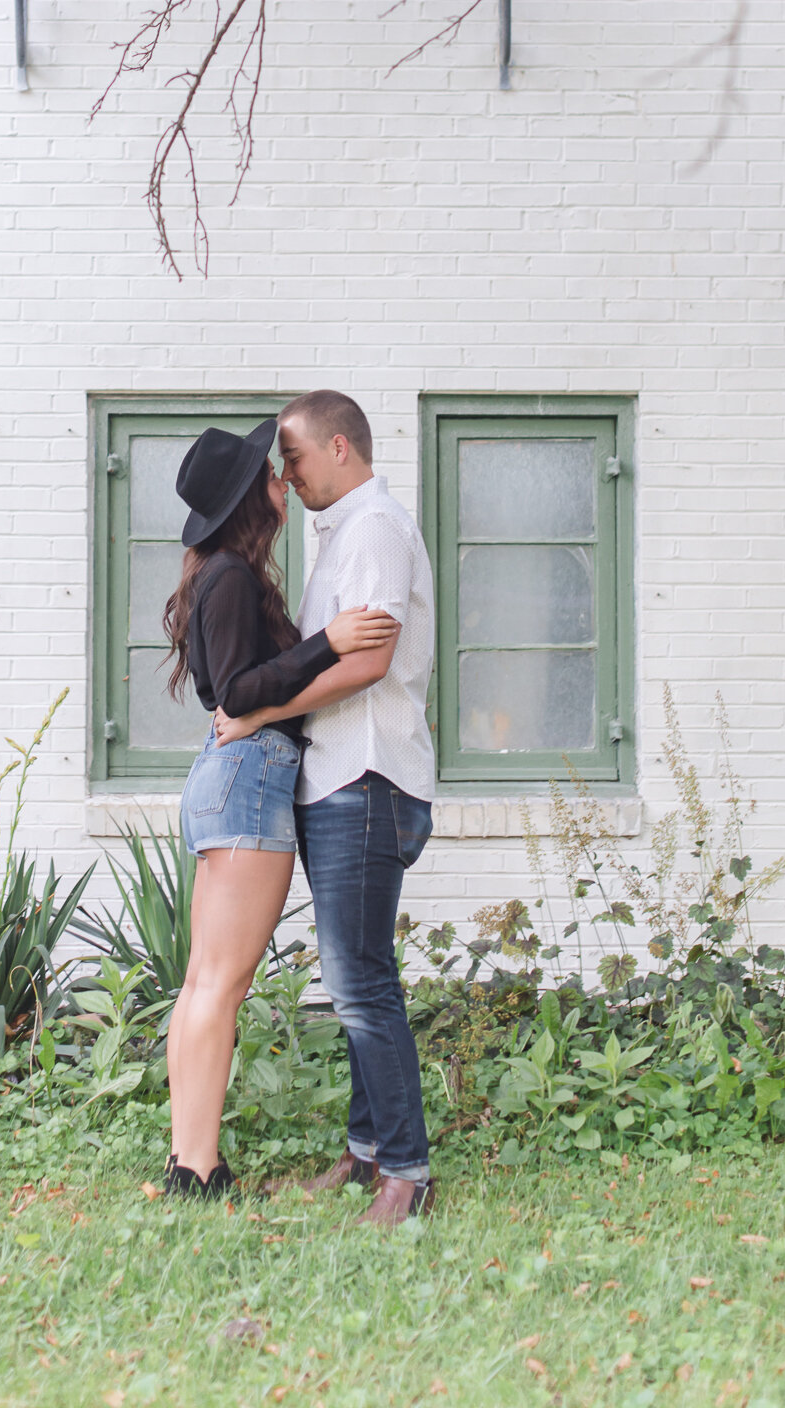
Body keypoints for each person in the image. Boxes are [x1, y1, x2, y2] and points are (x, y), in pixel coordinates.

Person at [213, 390, 436, 1226]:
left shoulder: (373, 527)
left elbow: (369, 661)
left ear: (340, 448)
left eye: (294, 457)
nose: (286, 474)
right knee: (355, 978)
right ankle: (366, 1155)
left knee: (359, 982)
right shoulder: (343, 534)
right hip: (342, 777)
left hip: (365, 779)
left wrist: (263, 712)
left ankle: (405, 1175)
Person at [161, 416, 399, 1198]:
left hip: (240, 773)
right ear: (246, 501)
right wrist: (328, 640)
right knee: (218, 981)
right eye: (271, 474)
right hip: (250, 773)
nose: (283, 482)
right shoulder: (229, 576)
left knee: (209, 979)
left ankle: (193, 1161)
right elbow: (235, 693)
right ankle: (194, 1166)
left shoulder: (227, 574)